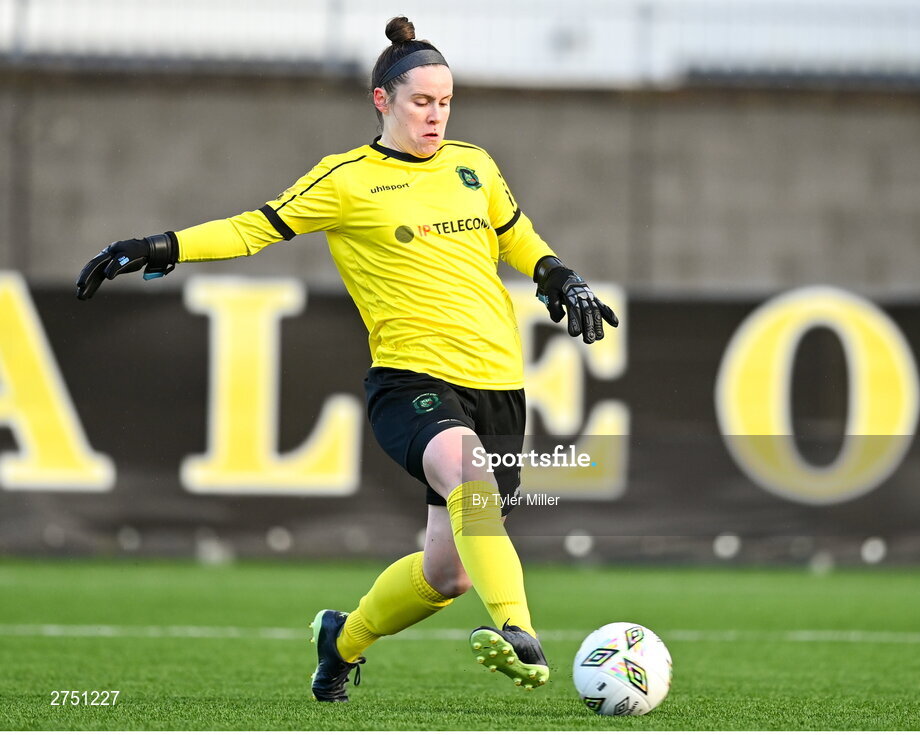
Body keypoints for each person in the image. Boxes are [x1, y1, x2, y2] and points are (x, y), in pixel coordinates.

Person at [76, 16, 618, 702]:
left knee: (446, 574)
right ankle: (520, 631)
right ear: (382, 100)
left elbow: (517, 238)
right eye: (421, 101)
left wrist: (557, 275)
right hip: (411, 380)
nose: (435, 115)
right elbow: (252, 229)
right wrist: (155, 247)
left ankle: (343, 639)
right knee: (469, 478)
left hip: (500, 385)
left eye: (445, 101)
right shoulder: (346, 180)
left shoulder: (472, 165)